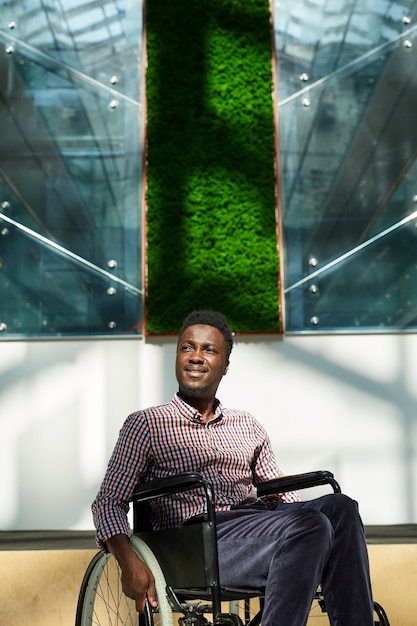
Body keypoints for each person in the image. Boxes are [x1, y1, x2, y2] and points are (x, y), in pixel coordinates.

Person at [92, 309, 374, 626]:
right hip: (194, 540)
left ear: (225, 366)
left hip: (254, 523)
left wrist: (312, 516)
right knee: (312, 526)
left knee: (340, 508)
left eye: (208, 349)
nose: (195, 357)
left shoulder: (246, 424)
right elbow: (107, 502)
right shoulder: (146, 424)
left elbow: (277, 492)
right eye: (187, 347)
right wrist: (128, 562)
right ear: (177, 356)